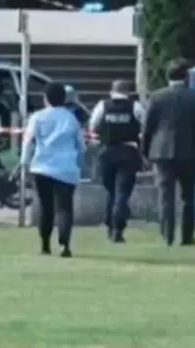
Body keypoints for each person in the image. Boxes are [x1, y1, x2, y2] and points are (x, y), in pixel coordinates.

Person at [18, 82, 85, 257]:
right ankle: (65, 245)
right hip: (66, 169)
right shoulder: (71, 119)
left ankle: (45, 245)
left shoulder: (38, 117)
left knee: (45, 206)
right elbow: (81, 145)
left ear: (45, 98)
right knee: (64, 207)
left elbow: (28, 141)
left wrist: (24, 163)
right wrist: (80, 165)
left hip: (42, 167)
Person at [141, 57, 195, 246]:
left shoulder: (157, 96)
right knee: (189, 197)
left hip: (162, 151)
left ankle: (167, 235)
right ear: (186, 76)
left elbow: (148, 127)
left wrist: (145, 151)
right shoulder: (192, 96)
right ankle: (187, 236)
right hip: (190, 152)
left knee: (165, 195)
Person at [88, 79, 145, 242]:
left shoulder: (102, 106)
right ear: (128, 92)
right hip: (128, 152)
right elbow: (144, 126)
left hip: (107, 152)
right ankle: (117, 228)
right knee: (122, 193)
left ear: (112, 91)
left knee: (111, 191)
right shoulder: (135, 107)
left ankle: (110, 225)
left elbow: (93, 125)